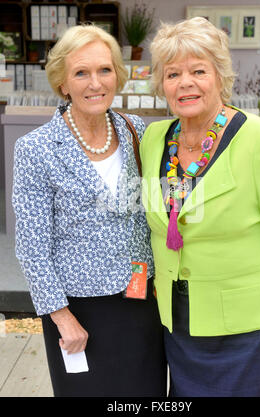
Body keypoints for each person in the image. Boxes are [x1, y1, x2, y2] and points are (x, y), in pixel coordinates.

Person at [139, 17, 260, 397]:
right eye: (173, 73)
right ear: (162, 83)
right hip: (179, 321)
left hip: (245, 325)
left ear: (220, 75)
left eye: (198, 70)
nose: (185, 82)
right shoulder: (153, 138)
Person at [12, 24, 167, 397]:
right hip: (77, 310)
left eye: (104, 70)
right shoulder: (36, 149)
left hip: (140, 299)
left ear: (118, 75)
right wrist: (62, 318)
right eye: (81, 72)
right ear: (63, 83)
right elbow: (32, 246)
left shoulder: (136, 131)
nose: (95, 83)